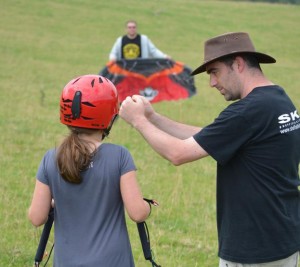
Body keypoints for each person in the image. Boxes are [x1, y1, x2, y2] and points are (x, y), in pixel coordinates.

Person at [119, 32, 300, 266]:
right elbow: (211, 137)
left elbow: (178, 154)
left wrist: (138, 121)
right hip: (280, 237)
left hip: (255, 248)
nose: (212, 83)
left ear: (238, 63)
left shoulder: (247, 111)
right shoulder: (277, 99)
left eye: (215, 72)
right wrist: (153, 117)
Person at [28, 74, 152, 267]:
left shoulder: (50, 159)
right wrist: (146, 205)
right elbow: (137, 213)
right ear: (111, 117)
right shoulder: (119, 156)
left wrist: (55, 202)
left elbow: (37, 218)